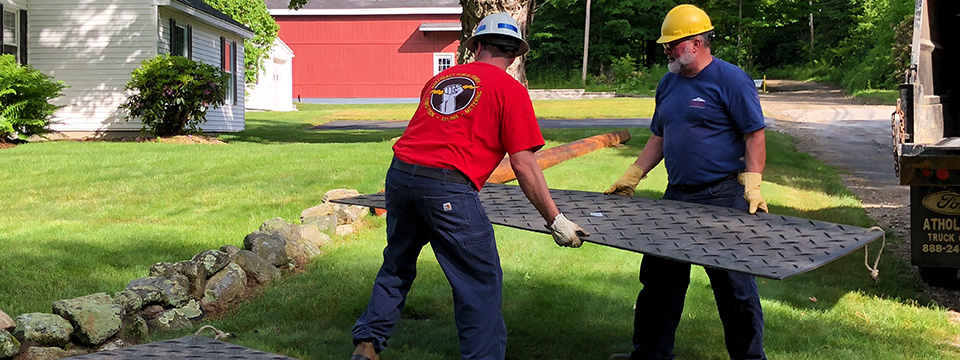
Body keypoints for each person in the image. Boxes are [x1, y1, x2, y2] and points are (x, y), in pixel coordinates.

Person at [350, 12, 588, 360]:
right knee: (479, 283)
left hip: (400, 178)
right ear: (515, 54)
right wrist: (556, 220)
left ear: (475, 46)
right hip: (447, 189)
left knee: (397, 264)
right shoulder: (510, 90)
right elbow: (523, 163)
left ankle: (367, 346)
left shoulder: (440, 80)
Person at [605, 4, 768, 360]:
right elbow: (660, 136)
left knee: (735, 287)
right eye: (666, 44)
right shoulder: (668, 83)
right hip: (676, 195)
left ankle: (750, 358)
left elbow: (754, 134)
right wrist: (634, 174)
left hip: (722, 196)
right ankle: (650, 354)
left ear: (696, 43)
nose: (666, 50)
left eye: (672, 44)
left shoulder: (731, 80)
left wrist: (753, 184)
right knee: (659, 282)